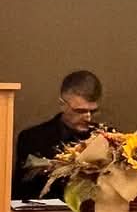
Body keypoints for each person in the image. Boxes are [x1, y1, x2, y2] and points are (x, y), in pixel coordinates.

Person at [12, 70, 103, 199]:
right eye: (80, 111)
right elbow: (22, 192)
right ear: (62, 105)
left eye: (93, 111)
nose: (88, 117)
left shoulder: (108, 139)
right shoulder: (33, 139)